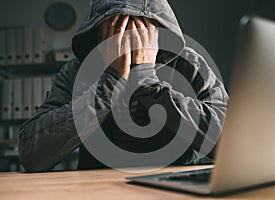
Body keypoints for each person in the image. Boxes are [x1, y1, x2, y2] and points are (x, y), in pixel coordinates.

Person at [19, 0, 228, 172]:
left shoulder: (188, 64)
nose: (129, 38)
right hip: (97, 188)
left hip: (176, 183)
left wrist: (147, 81)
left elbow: (235, 144)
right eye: (116, 29)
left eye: (141, 29)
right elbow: (32, 154)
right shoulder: (76, 71)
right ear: (98, 34)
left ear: (159, 32)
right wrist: (110, 82)